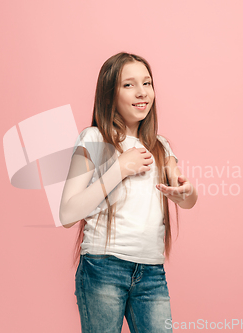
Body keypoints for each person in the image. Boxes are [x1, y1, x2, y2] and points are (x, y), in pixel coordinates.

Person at [59, 52, 198, 333]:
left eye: (147, 83)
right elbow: (67, 214)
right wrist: (119, 169)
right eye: (129, 85)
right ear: (109, 94)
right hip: (102, 268)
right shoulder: (94, 138)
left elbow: (186, 198)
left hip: (151, 272)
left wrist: (186, 192)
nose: (142, 93)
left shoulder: (161, 146)